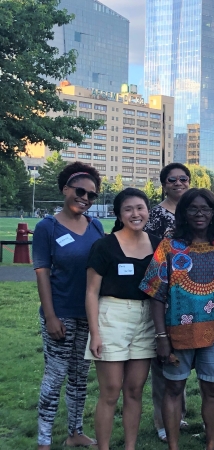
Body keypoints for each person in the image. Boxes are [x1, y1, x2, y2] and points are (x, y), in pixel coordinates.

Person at [139, 188, 214, 450]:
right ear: (183, 213)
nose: (200, 214)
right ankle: (173, 446)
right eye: (193, 209)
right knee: (173, 390)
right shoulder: (169, 247)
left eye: (206, 209)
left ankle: (211, 444)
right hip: (177, 336)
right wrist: (162, 337)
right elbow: (155, 294)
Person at [32, 162, 105, 450]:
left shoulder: (95, 226)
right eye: (80, 191)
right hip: (60, 314)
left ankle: (75, 432)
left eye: (92, 195)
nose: (85, 198)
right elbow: (42, 273)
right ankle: (43, 440)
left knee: (79, 378)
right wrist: (50, 316)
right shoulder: (46, 227)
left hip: (88, 316)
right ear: (65, 189)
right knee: (55, 376)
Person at [85, 188, 161, 450]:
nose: (135, 214)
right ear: (118, 213)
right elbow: (91, 292)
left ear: (147, 211)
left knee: (134, 390)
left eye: (140, 208)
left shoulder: (158, 242)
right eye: (128, 209)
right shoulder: (104, 245)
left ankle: (130, 446)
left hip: (147, 317)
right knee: (111, 390)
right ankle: (103, 447)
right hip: (112, 316)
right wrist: (95, 333)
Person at [144, 163, 191, 440]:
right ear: (164, 184)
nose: (178, 183)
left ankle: (179, 416)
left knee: (180, 358)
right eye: (171, 179)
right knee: (163, 359)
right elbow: (150, 254)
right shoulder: (156, 215)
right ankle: (162, 421)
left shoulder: (192, 211)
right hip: (163, 289)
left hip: (187, 294)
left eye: (183, 178)